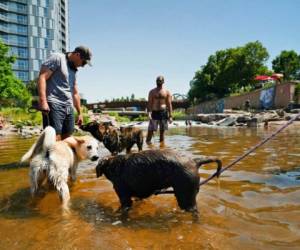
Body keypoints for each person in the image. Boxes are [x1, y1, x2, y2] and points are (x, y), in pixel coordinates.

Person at [37, 46, 92, 140]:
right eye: (83, 62)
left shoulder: (73, 69)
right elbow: (42, 77)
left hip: (68, 107)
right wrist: (43, 101)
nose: (83, 65)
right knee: (54, 139)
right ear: (77, 55)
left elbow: (75, 92)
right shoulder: (57, 58)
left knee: (68, 140)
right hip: (54, 104)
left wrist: (80, 113)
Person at [146, 75, 173, 144]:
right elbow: (149, 103)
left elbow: (169, 104)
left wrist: (170, 116)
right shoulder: (152, 92)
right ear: (156, 81)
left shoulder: (167, 92)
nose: (159, 82)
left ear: (163, 82)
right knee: (150, 132)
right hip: (154, 113)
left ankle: (161, 150)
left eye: (160, 81)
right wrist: (149, 114)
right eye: (158, 80)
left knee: (162, 134)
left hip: (163, 113)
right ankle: (149, 148)